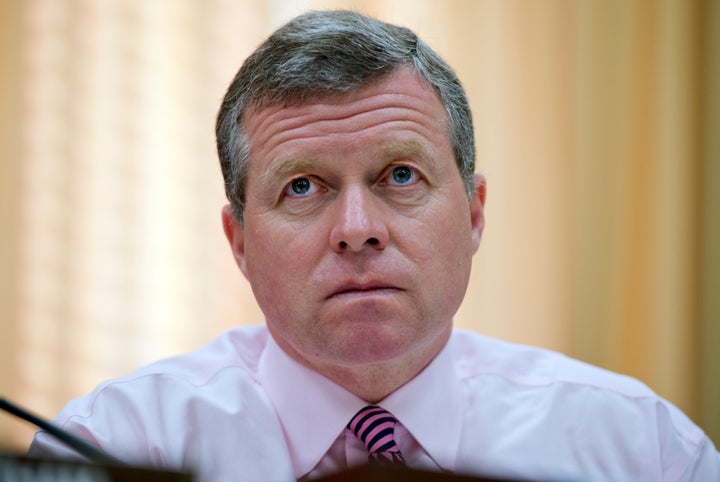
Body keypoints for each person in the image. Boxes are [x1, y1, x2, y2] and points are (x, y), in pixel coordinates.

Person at [28, 10, 719, 482]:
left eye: (401, 175)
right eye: (302, 187)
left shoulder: (641, 451)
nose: (357, 227)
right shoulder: (109, 448)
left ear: (475, 214)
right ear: (238, 241)